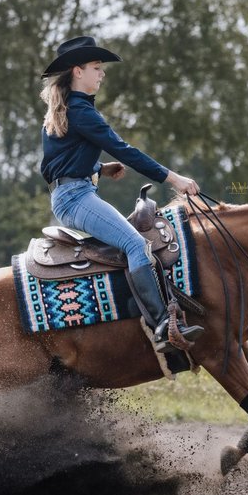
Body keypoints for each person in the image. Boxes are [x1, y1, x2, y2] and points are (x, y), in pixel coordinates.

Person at [40, 35, 203, 354]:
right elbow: (125, 150)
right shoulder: (82, 112)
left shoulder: (70, 109)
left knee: (131, 243)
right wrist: (174, 178)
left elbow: (57, 164)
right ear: (77, 71)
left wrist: (99, 169)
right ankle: (162, 326)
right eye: (97, 68)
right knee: (135, 244)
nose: (102, 74)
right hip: (75, 198)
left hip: (73, 193)